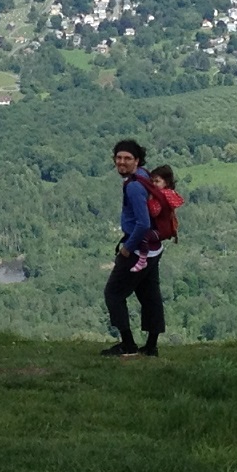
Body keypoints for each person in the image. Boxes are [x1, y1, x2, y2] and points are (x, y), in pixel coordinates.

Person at [103, 138, 164, 356]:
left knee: (113, 294)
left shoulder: (135, 187)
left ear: (137, 160)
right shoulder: (144, 175)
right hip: (154, 248)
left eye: (127, 158)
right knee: (150, 295)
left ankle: (127, 345)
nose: (122, 162)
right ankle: (151, 346)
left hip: (138, 250)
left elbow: (143, 223)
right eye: (119, 158)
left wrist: (127, 247)